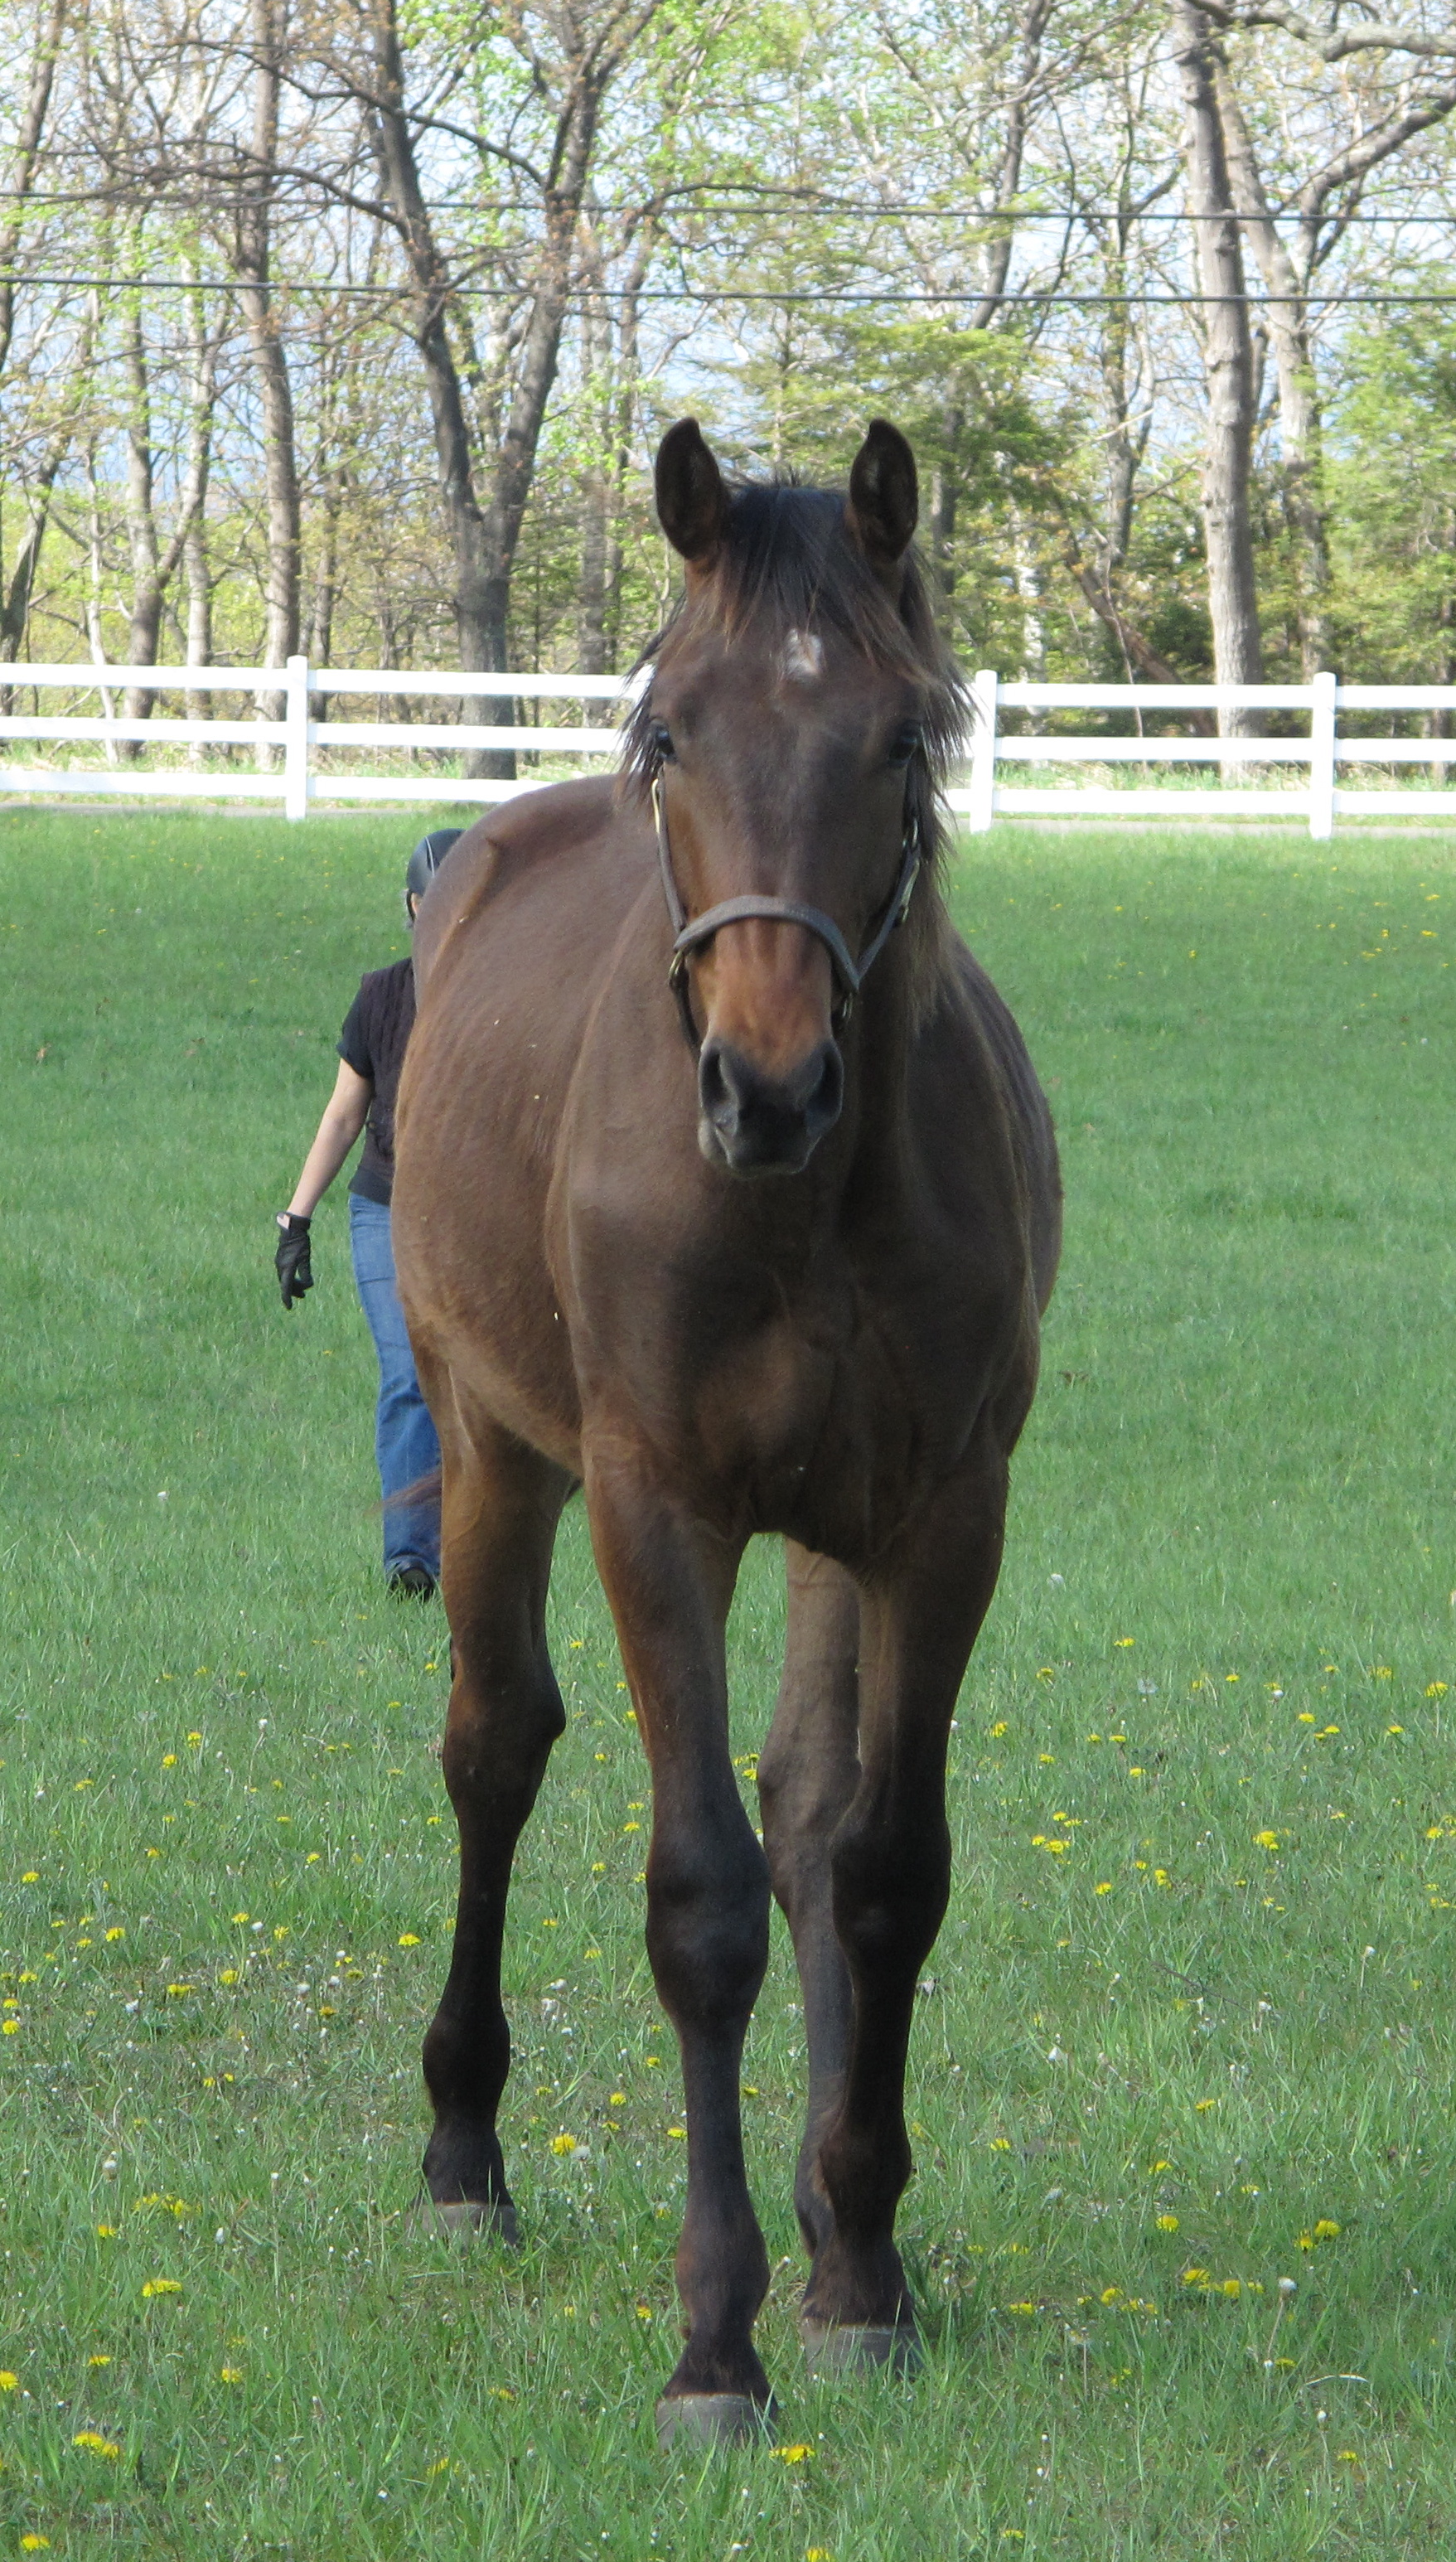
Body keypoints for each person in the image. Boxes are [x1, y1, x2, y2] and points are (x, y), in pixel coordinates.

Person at [273, 828, 462, 1596]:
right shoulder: (382, 995)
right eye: (432, 904)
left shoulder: (503, 997)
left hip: (470, 1214)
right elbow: (343, 1118)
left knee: (472, 1382)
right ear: (412, 906)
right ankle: (411, 1560)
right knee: (410, 1374)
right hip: (386, 1209)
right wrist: (296, 1219)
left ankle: (481, 1545)